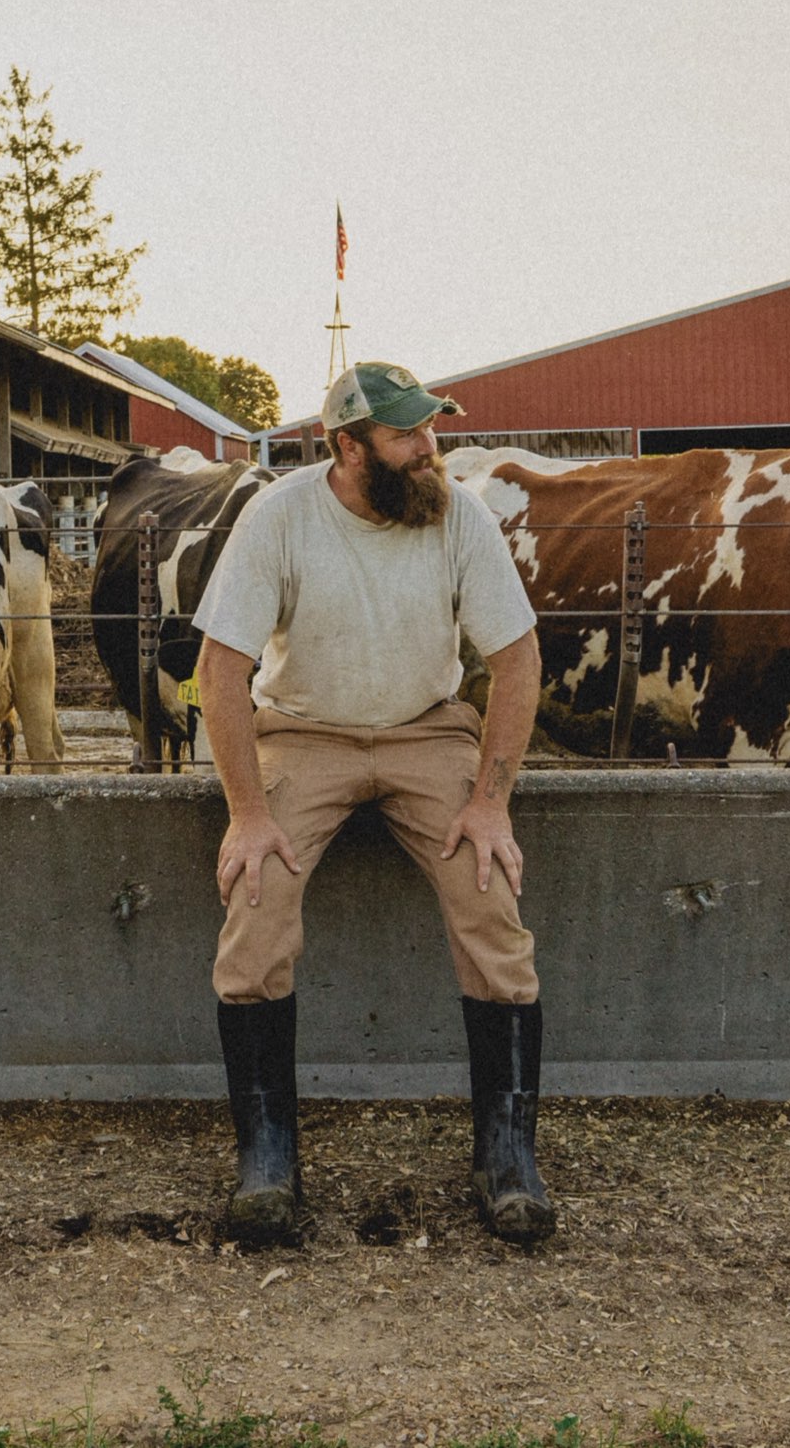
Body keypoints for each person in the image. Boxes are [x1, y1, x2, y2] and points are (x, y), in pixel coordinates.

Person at [189, 360, 554, 1245]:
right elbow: (220, 671)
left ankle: (505, 1154)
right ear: (345, 446)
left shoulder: (456, 513)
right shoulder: (279, 516)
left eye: (429, 429)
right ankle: (268, 1156)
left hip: (427, 732)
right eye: (405, 435)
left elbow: (516, 660)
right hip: (304, 733)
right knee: (257, 902)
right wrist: (248, 812)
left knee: (489, 897)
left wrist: (490, 803)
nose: (428, 448)